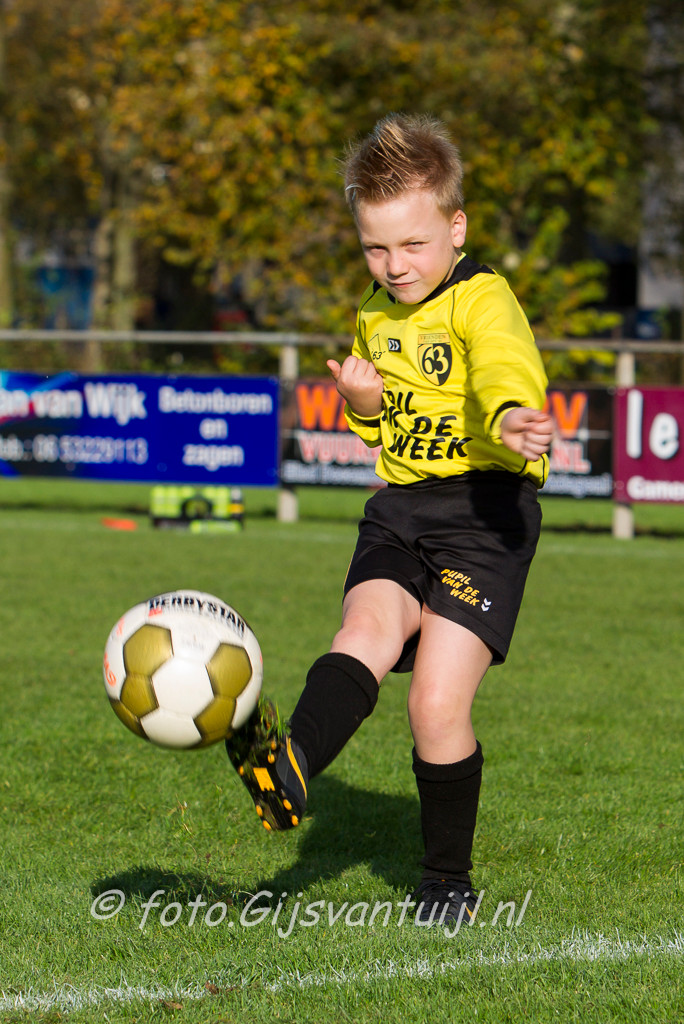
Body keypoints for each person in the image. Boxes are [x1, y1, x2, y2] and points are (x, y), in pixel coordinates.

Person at [226, 112, 553, 925]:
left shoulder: (483, 298)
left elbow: (503, 366)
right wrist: (363, 404)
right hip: (400, 508)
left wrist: (511, 415)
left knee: (435, 706)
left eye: (412, 244)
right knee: (363, 630)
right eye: (375, 248)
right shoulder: (374, 312)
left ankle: (446, 882)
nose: (394, 265)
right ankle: (288, 767)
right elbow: (384, 429)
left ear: (456, 227)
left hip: (485, 513)